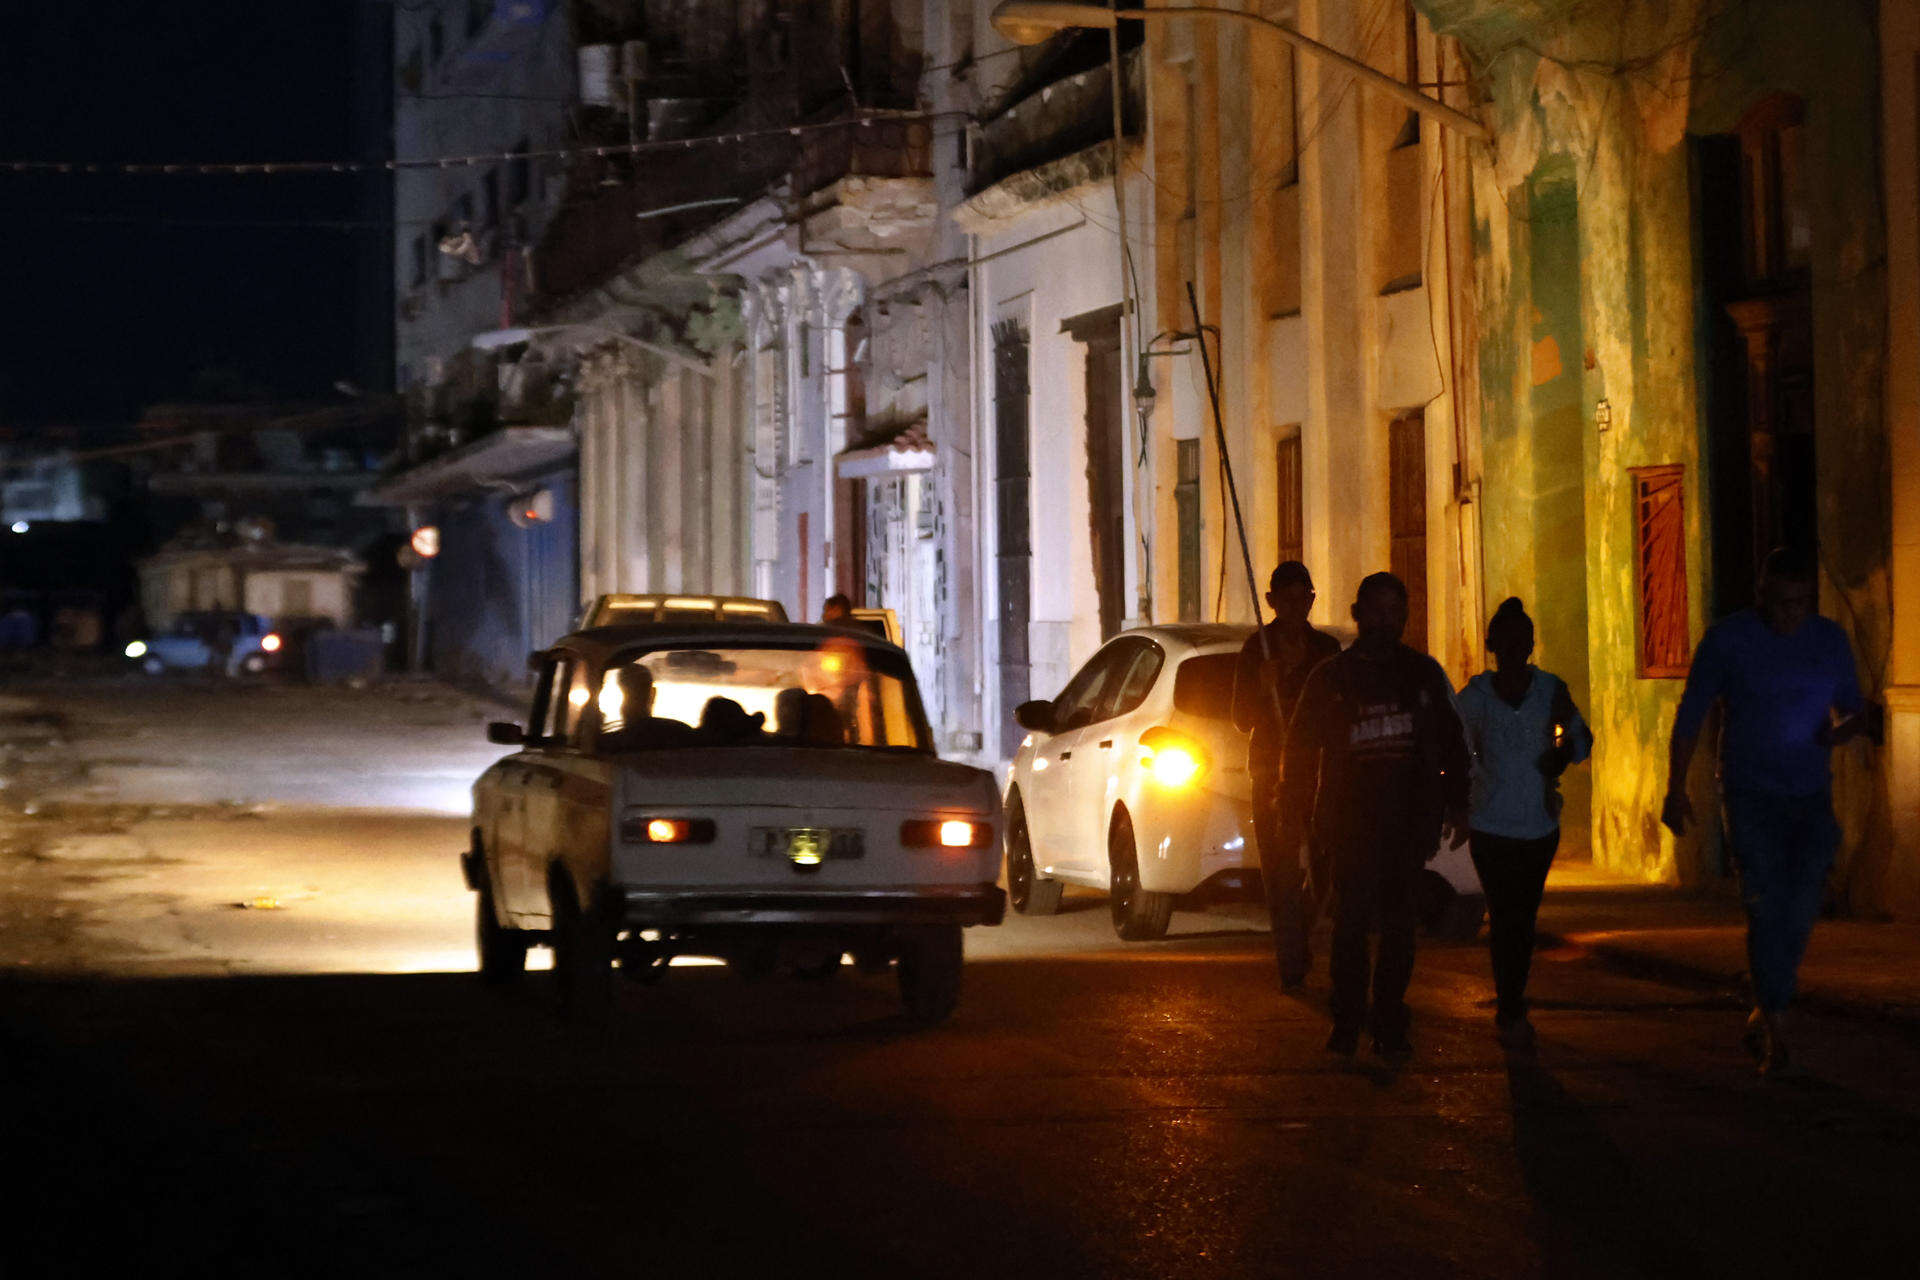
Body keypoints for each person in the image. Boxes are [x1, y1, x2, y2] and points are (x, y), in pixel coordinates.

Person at [1662, 546, 1866, 1076]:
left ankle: (1768, 1003)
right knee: (1763, 900)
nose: (1788, 616)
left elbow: (1853, 710)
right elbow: (1692, 713)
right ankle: (1774, 1017)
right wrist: (1675, 786)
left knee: (1800, 904)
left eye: (1798, 605)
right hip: (1750, 793)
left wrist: (1838, 730)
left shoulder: (1829, 642)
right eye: (1779, 604)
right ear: (1761, 596)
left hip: (1808, 795)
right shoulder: (1729, 640)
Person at [1278, 572, 1470, 1058]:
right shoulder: (1332, 678)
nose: (1385, 621)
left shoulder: (1422, 675)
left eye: (1394, 612)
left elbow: (1451, 742)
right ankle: (1347, 1020)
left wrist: (1458, 804)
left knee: (1400, 928)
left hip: (1409, 825)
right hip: (1350, 825)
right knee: (1351, 924)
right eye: (1376, 611)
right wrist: (1293, 806)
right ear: (1357, 614)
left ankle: (1388, 1018)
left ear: (1404, 618)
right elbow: (1299, 748)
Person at [1456, 597, 1592, 1049]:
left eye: (1522, 640)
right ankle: (1511, 1003)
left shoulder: (1551, 690)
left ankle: (1512, 999)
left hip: (1538, 828)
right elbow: (1452, 746)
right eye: (1506, 640)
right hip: (1490, 826)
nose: (1514, 648)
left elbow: (1582, 738)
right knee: (1505, 915)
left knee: (1523, 917)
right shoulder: (1474, 698)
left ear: (1531, 645)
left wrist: (1563, 753)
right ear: (1493, 644)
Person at [1230, 561, 1342, 986]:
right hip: (1270, 770)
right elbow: (1241, 718)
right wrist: (1264, 685)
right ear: (1271, 602)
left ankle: (1304, 930)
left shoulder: (1327, 652)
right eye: (1286, 600)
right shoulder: (1256, 651)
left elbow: (1338, 713)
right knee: (1279, 869)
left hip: (1317, 771)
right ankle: (1291, 958)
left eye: (1303, 599)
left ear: (1312, 599)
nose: (1295, 608)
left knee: (1326, 865)